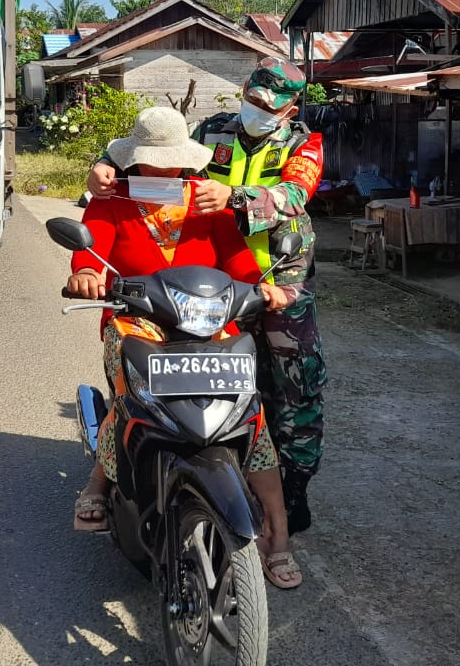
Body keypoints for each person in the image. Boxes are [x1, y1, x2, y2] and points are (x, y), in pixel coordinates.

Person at [89, 58, 327, 534]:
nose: (257, 109)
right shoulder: (211, 130)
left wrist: (233, 198)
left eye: (269, 106)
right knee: (207, 384)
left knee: (291, 390)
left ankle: (291, 494)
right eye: (253, 99)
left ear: (290, 108)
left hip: (274, 278)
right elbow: (153, 152)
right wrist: (102, 164)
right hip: (205, 287)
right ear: (245, 89)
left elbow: (295, 195)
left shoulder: (305, 142)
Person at [68, 106, 303, 588]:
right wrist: (88, 274)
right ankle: (98, 481)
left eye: (172, 164)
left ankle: (277, 534)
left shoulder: (204, 202)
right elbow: (90, 252)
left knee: (248, 411)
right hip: (137, 322)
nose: (163, 172)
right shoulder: (111, 199)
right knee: (132, 399)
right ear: (134, 161)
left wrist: (266, 287)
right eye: (152, 163)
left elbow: (238, 258)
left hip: (206, 324)